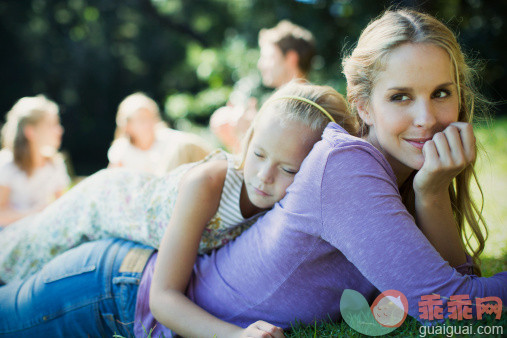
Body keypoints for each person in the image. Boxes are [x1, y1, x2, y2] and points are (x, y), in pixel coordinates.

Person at [1, 9, 507, 338]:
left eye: (442, 92)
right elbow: (452, 306)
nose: (427, 118)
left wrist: (433, 192)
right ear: (363, 105)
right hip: (114, 291)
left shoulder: (405, 180)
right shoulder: (348, 169)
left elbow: (454, 304)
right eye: (401, 96)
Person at [0, 81, 359, 286]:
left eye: (290, 170)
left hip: (124, 211)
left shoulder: (293, 203)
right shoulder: (209, 183)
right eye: (259, 154)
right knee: (18, 256)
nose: (264, 176)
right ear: (248, 142)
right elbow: (163, 297)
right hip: (102, 202)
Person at [210, 20, 316, 153]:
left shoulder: (301, 108)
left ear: (291, 58)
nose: (261, 64)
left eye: (268, 57)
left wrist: (248, 133)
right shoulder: (294, 103)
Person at [0, 95, 70, 226]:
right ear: (30, 131)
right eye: (51, 125)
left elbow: (63, 207)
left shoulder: (55, 164)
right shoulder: (7, 164)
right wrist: (33, 214)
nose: (60, 130)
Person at [108, 92, 212, 176]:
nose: (148, 125)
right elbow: (113, 183)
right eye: (142, 120)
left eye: (151, 119)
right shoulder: (121, 150)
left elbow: (195, 148)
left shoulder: (172, 140)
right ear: (128, 126)